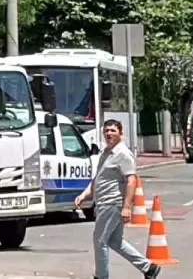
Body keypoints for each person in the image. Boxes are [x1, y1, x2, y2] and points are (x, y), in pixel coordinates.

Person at [74, 119, 161, 279]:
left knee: (99, 240)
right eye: (106, 131)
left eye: (113, 131)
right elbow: (98, 179)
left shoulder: (123, 154)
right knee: (115, 242)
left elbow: (131, 180)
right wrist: (84, 194)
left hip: (112, 203)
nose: (108, 134)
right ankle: (148, 268)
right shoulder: (105, 153)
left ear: (120, 133)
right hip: (103, 202)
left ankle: (101, 276)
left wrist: (126, 207)